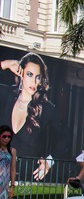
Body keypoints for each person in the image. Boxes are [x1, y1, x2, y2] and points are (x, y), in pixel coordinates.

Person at [0, 53, 67, 181]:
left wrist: (49, 162)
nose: (34, 82)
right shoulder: (7, 95)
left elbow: (66, 137)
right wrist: (6, 64)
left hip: (26, 181)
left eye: (38, 77)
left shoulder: (46, 108)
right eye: (30, 74)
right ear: (21, 74)